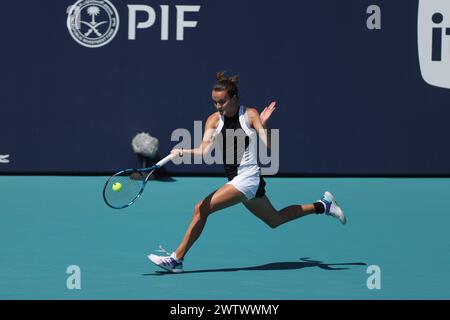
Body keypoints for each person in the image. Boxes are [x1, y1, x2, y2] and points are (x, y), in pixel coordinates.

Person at [148, 72, 346, 273]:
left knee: (201, 208)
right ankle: (323, 205)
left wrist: (264, 124)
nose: (218, 106)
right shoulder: (213, 121)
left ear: (234, 98)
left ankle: (176, 259)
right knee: (275, 220)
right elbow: (204, 151)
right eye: (215, 102)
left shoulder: (250, 115)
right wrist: (182, 151)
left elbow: (270, 145)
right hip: (239, 180)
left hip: (248, 178)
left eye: (222, 102)